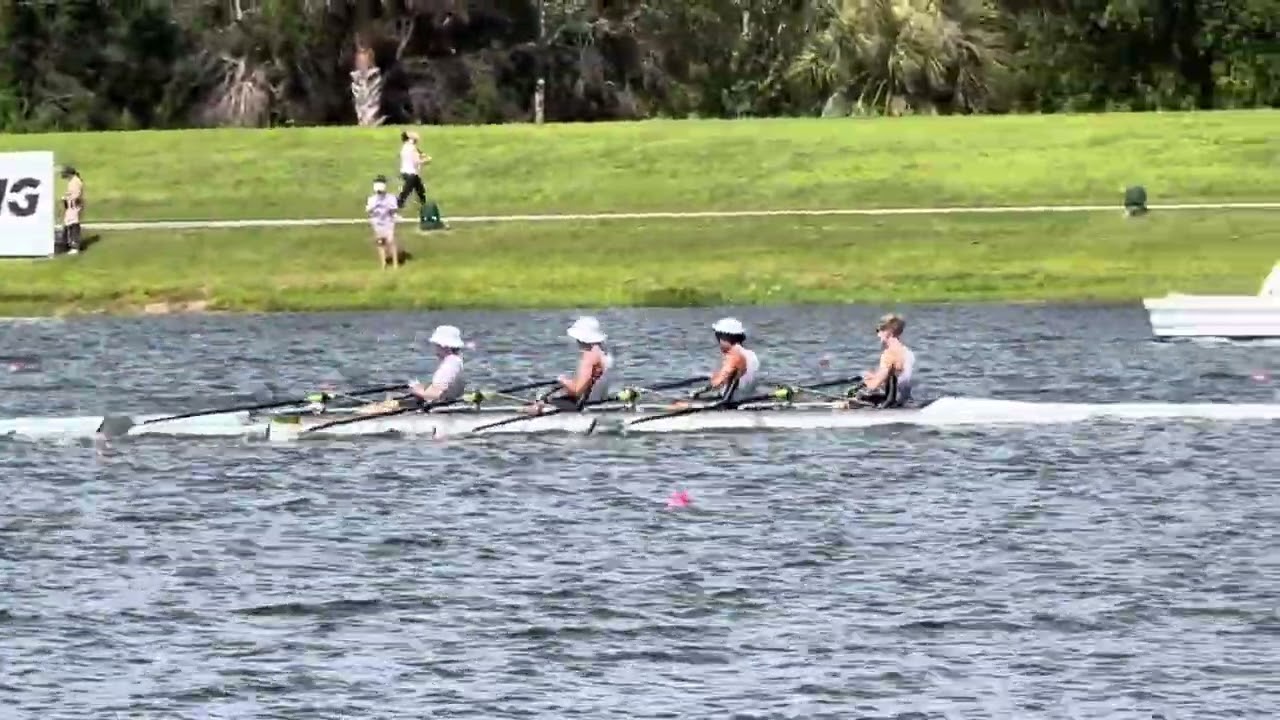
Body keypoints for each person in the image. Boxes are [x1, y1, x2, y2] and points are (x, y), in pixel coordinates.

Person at [355, 325, 466, 414]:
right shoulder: (456, 361)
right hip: (440, 403)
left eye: (437, 345)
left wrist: (414, 389)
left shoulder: (449, 365)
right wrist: (419, 387)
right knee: (391, 401)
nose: (435, 349)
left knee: (369, 410)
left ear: (444, 346)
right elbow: (440, 389)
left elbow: (435, 394)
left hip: (436, 408)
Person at [530, 316, 614, 412]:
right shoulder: (606, 354)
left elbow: (577, 390)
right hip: (597, 401)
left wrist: (563, 380)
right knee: (553, 396)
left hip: (582, 405)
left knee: (541, 401)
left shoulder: (589, 356)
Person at [847, 313, 916, 408]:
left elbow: (874, 385)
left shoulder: (888, 355)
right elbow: (896, 377)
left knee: (853, 395)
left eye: (878, 330)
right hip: (903, 399)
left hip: (890, 403)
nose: (878, 334)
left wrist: (863, 384)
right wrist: (873, 376)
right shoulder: (907, 352)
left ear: (888, 332)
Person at [688, 317, 760, 406]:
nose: (718, 342)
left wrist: (698, 391)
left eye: (718, 337)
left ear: (725, 337)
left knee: (679, 403)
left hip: (731, 402)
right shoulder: (751, 354)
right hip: (747, 398)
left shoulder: (733, 356)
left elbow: (718, 382)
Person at [365, 174, 401, 269]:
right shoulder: (372, 199)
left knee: (391, 241)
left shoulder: (391, 198)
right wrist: (374, 207)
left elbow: (393, 210)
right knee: (381, 243)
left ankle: (395, 264)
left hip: (388, 222)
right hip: (377, 223)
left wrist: (393, 215)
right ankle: (383, 264)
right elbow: (369, 210)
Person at [397, 130, 429, 210]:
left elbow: (418, 154)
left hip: (407, 172)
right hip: (411, 173)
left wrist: (422, 155)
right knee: (408, 190)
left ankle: (423, 203)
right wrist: (427, 160)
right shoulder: (411, 148)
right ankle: (399, 202)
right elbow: (417, 161)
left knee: (420, 189)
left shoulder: (405, 147)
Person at [61, 166, 84, 255]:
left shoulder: (75, 181)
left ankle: (75, 246)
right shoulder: (73, 181)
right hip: (71, 207)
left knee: (74, 225)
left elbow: (76, 195)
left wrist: (67, 198)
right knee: (68, 225)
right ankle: (69, 244)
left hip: (74, 207)